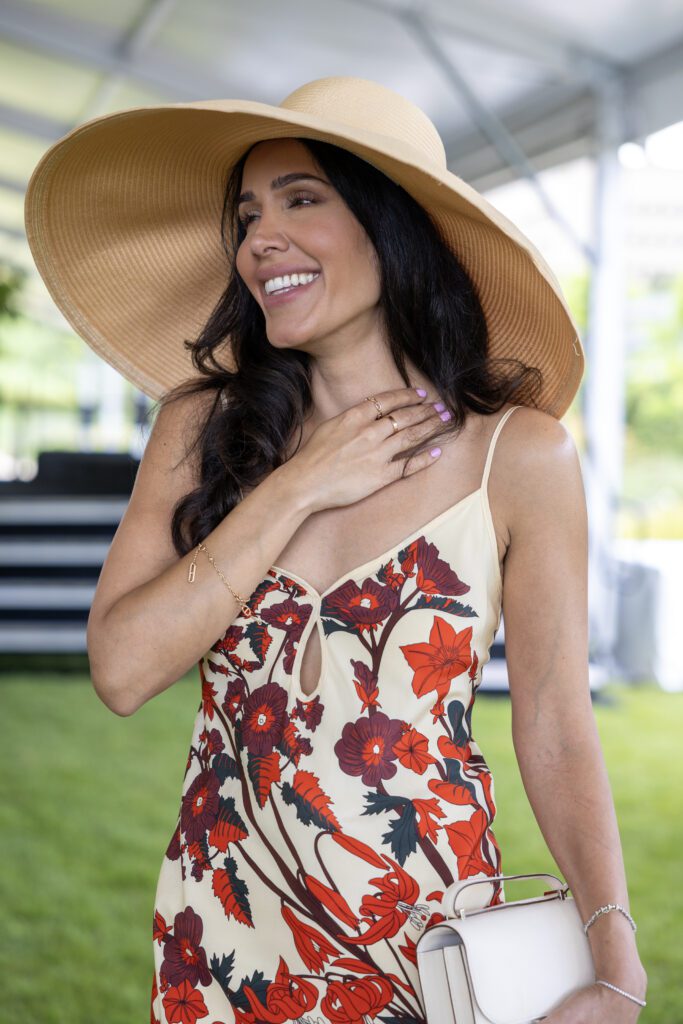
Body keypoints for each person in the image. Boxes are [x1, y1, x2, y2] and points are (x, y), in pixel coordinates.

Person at [24, 76, 647, 1023]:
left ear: (391, 230)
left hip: (426, 949)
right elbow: (120, 668)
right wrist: (301, 481)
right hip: (222, 940)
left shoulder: (517, 457)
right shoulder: (203, 430)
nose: (258, 238)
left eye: (301, 199)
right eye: (246, 215)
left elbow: (556, 723)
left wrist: (615, 959)